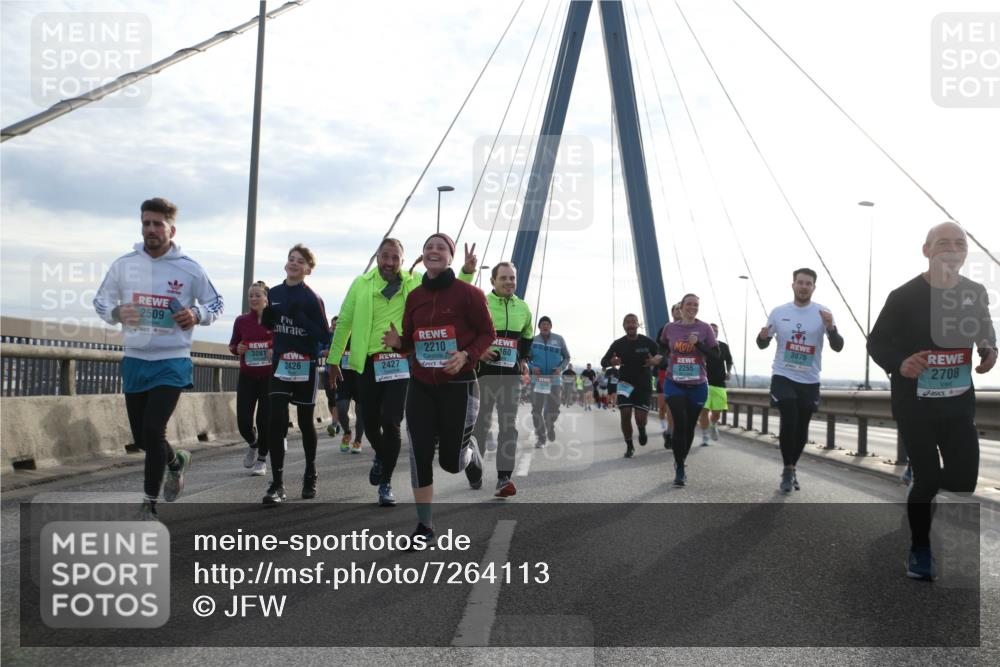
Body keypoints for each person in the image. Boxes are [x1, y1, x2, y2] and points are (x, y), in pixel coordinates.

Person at [868, 222, 996, 581]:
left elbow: (984, 327)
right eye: (943, 243)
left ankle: (919, 488)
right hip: (915, 404)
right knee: (927, 479)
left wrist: (988, 349)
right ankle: (920, 550)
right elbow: (877, 343)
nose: (952, 249)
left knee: (962, 481)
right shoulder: (903, 296)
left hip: (957, 404)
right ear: (927, 251)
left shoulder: (974, 292)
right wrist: (901, 363)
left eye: (959, 243)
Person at [93, 197, 223, 520]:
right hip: (136, 359)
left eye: (157, 224)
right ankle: (175, 461)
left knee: (154, 427)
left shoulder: (189, 268)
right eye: (146, 223)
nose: (151, 230)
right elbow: (100, 302)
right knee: (143, 437)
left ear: (171, 229)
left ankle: (148, 504)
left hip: (172, 360)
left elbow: (216, 303)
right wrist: (115, 312)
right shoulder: (124, 265)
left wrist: (196, 313)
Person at [327, 239, 476, 506]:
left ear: (403, 261)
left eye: (396, 258)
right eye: (385, 256)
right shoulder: (361, 284)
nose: (390, 262)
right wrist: (333, 358)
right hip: (367, 363)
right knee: (370, 421)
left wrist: (466, 271)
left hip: (399, 362)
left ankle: (385, 482)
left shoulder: (412, 282)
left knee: (391, 421)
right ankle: (381, 457)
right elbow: (345, 321)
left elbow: (447, 289)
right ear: (377, 257)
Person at [382, 232, 495, 545]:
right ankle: (425, 526)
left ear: (450, 256)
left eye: (441, 248)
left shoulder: (469, 294)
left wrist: (466, 355)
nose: (434, 251)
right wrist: (399, 344)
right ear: (423, 255)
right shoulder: (415, 297)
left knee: (451, 462)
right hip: (421, 384)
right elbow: (410, 339)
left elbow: (487, 333)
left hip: (459, 386)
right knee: (419, 454)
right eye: (429, 247)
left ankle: (471, 457)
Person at [757, 268, 844, 494]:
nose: (804, 287)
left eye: (808, 284)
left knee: (802, 426)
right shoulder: (778, 312)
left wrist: (831, 327)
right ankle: (787, 469)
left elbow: (837, 346)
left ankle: (792, 466)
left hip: (809, 379)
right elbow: (762, 343)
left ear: (814, 288)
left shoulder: (823, 313)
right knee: (790, 417)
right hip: (783, 374)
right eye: (800, 283)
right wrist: (762, 337)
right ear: (793, 285)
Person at [259, 244, 330, 505]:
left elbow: (323, 335)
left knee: (304, 422)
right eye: (291, 259)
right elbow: (268, 325)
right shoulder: (275, 292)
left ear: (308, 269)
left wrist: (300, 317)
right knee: (275, 420)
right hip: (280, 364)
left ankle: (310, 472)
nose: (294, 264)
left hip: (305, 366)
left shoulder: (313, 298)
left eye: (300, 261)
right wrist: (267, 316)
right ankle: (277, 484)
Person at [470, 262, 534, 498]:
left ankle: (503, 478)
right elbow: (468, 333)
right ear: (493, 281)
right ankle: (474, 468)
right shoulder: (481, 304)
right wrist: (479, 352)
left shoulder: (523, 308)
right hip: (484, 375)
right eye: (504, 278)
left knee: (509, 426)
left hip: (510, 377)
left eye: (512, 278)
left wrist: (524, 358)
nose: (509, 282)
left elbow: (527, 335)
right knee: (481, 426)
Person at [660, 294, 719, 486]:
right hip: (674, 382)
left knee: (689, 425)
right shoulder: (670, 328)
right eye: (689, 304)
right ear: (681, 306)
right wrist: (658, 358)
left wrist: (699, 344)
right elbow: (662, 348)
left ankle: (681, 462)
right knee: (680, 423)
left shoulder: (705, 328)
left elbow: (716, 355)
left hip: (698, 385)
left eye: (696, 304)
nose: (692, 307)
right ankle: (680, 467)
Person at [601, 314, 663, 458]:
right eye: (627, 323)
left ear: (638, 325)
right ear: (624, 326)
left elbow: (662, 355)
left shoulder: (647, 342)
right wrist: (611, 361)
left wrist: (655, 360)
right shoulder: (617, 344)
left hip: (643, 383)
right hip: (624, 384)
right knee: (625, 414)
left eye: (633, 322)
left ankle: (642, 429)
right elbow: (604, 361)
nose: (630, 325)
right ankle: (629, 446)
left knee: (640, 418)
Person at [228, 281, 272, 476]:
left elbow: (285, 344)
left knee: (265, 421)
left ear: (266, 299)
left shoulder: (275, 320)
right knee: (244, 422)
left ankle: (262, 459)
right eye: (250, 296)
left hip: (269, 377)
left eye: (257, 295)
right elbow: (232, 345)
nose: (253, 299)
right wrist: (237, 349)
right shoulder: (241, 321)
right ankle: (253, 444)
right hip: (247, 376)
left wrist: (274, 351)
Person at [529, 316, 571, 446]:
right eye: (542, 324)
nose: (545, 326)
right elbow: (525, 358)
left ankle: (550, 425)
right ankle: (541, 437)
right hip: (538, 380)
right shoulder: (533, 340)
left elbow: (567, 357)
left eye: (547, 324)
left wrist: (560, 368)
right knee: (536, 409)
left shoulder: (559, 339)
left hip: (554, 380)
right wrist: (532, 367)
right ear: (539, 327)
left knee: (554, 407)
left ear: (551, 326)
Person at [324, 317, 364, 453]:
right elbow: (330, 353)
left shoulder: (363, 332)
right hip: (343, 377)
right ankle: (347, 432)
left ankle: (358, 440)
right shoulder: (339, 334)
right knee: (341, 409)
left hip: (360, 377)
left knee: (360, 412)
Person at [698, 323, 734, 445]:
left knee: (716, 413)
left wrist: (728, 371)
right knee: (704, 410)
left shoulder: (723, 346)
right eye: (712, 331)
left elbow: (729, 361)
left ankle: (713, 425)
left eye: (716, 331)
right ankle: (704, 436)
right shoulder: (700, 345)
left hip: (719, 383)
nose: (714, 333)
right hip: (703, 383)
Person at [657, 302, 683, 443]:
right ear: (672, 313)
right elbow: (659, 350)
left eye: (681, 308)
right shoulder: (665, 329)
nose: (679, 311)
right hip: (667, 370)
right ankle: (671, 432)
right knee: (672, 403)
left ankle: (674, 431)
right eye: (676, 309)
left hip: (688, 371)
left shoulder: (694, 328)